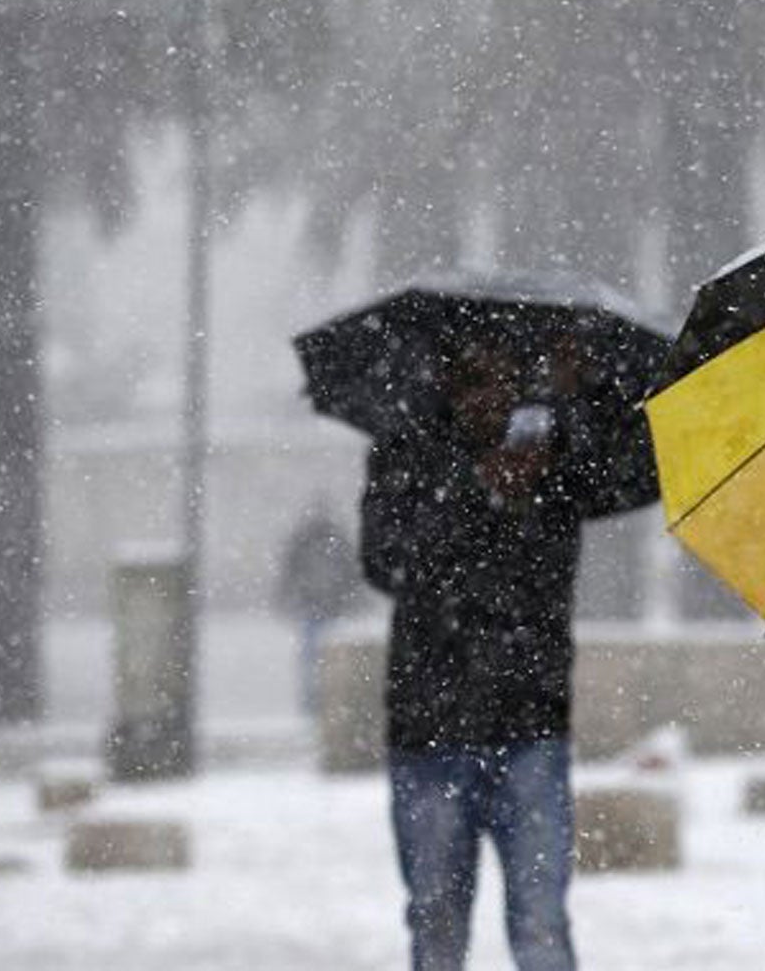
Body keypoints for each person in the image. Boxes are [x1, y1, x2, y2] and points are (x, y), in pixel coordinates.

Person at [361, 322, 646, 971]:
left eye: (501, 374)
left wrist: (587, 391)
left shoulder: (557, 453)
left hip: (530, 729)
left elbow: (638, 467)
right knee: (435, 926)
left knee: (542, 925)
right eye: (470, 375)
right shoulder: (408, 452)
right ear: (445, 379)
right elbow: (384, 560)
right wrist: (475, 489)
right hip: (429, 732)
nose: (487, 393)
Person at [274, 494, 361, 715]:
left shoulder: (306, 540)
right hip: (326, 607)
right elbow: (350, 575)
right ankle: (325, 703)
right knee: (327, 659)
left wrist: (286, 597)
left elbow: (290, 573)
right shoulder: (333, 540)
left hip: (316, 606)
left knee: (314, 659)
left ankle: (316, 703)